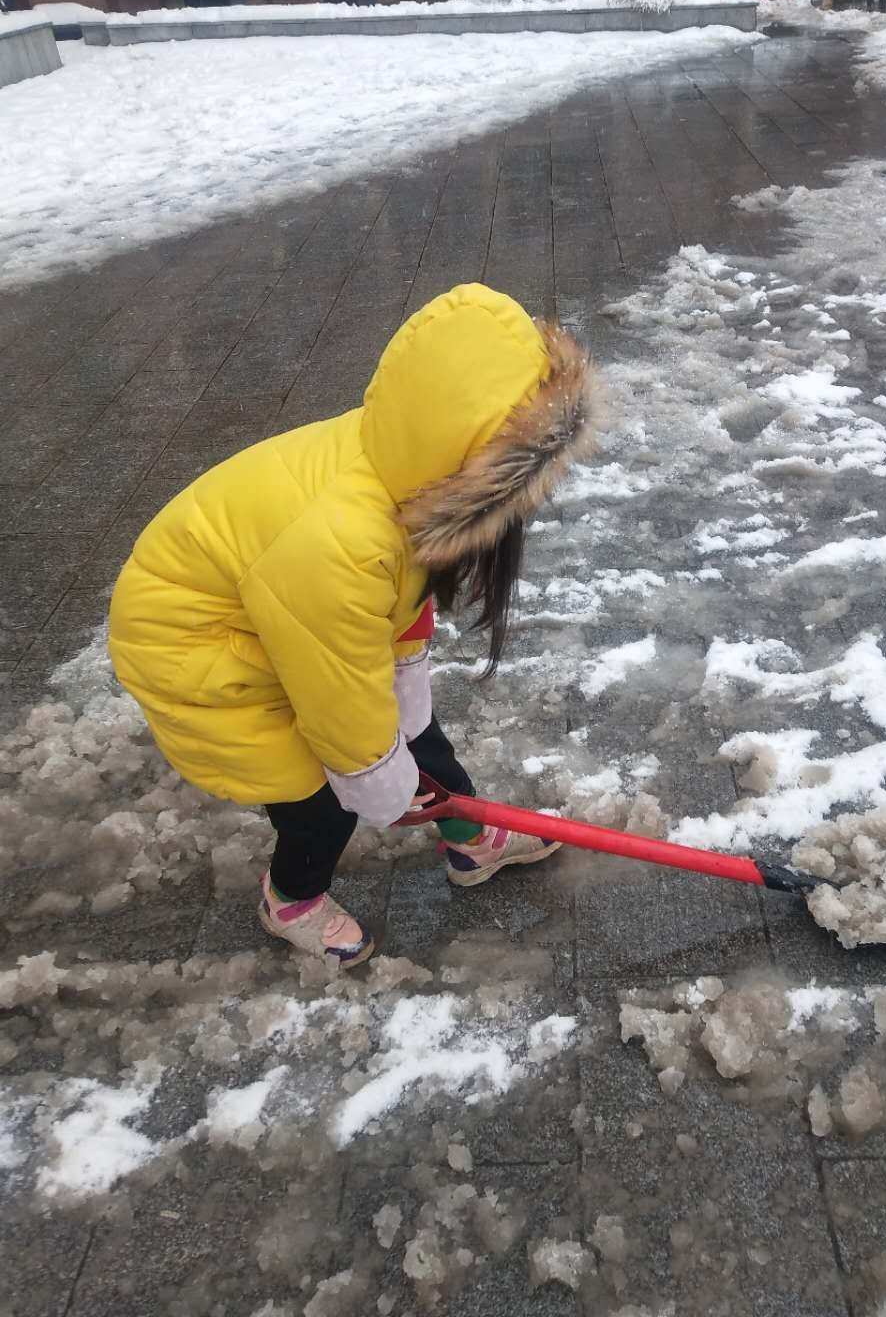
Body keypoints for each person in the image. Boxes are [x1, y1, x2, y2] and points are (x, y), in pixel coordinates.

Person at [109, 284, 597, 967]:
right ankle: (292, 899)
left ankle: (471, 838)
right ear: (468, 465)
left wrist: (400, 740)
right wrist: (378, 779)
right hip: (193, 643)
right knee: (320, 795)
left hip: (276, 612)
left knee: (417, 738)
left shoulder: (407, 473)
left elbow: (383, 615)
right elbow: (340, 701)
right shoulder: (339, 541)